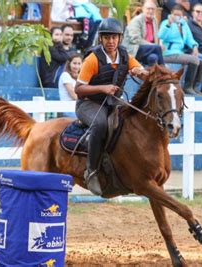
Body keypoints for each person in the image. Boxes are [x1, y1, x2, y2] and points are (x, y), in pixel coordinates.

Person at [74, 18, 147, 195]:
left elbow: (141, 71)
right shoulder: (92, 59)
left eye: (114, 37)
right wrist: (103, 88)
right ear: (101, 39)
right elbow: (78, 89)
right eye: (107, 37)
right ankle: (91, 171)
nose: (111, 41)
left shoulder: (124, 56)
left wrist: (141, 72)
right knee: (100, 124)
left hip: (112, 103)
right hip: (88, 104)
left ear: (120, 38)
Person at [158, 5, 202, 95]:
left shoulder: (183, 24)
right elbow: (160, 35)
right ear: (171, 14)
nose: (177, 17)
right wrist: (168, 24)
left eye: (179, 15)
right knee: (194, 60)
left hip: (179, 53)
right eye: (175, 14)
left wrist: (195, 46)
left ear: (182, 15)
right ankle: (187, 87)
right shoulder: (166, 23)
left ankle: (195, 88)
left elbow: (189, 39)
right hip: (168, 53)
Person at [122, 0, 164, 66]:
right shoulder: (136, 21)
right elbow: (135, 40)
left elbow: (155, 39)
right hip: (134, 49)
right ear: (143, 9)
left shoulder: (154, 20)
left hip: (147, 50)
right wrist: (153, 46)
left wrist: (154, 46)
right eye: (148, 8)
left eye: (152, 9)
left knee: (153, 58)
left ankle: (151, 75)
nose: (150, 11)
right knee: (157, 48)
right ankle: (164, 70)